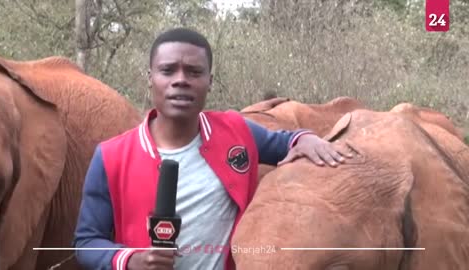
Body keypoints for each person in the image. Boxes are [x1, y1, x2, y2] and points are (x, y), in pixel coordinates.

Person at [73, 27, 352, 270]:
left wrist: (307, 138)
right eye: (167, 70)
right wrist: (129, 259)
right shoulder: (111, 157)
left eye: (194, 72)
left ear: (209, 81)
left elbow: (286, 142)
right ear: (150, 77)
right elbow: (86, 242)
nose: (180, 80)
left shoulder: (236, 131)